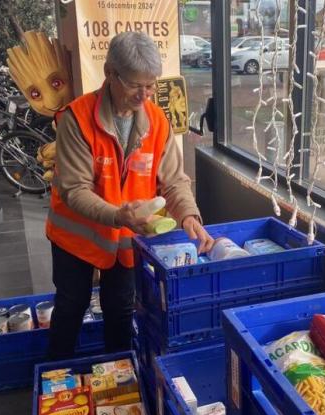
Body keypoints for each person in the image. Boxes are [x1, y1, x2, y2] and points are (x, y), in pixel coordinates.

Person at [46, 32, 214, 360]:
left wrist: (189, 216)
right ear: (110, 73)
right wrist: (120, 215)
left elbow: (173, 180)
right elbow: (74, 189)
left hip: (124, 241)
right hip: (75, 239)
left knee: (121, 312)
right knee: (70, 307)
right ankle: (55, 376)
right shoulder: (77, 119)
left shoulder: (156, 120)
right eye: (136, 85)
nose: (145, 95)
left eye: (151, 85)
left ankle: (119, 381)